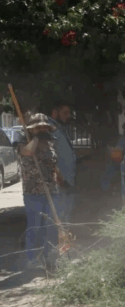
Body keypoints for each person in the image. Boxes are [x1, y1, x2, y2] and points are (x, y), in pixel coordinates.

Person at [15, 113, 61, 271]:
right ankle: (33, 259)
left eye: (44, 127)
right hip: (33, 193)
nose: (43, 129)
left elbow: (53, 163)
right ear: (32, 129)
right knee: (35, 226)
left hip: (51, 190)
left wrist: (60, 178)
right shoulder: (23, 142)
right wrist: (36, 138)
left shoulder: (50, 143)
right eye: (39, 127)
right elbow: (28, 152)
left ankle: (51, 257)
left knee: (52, 226)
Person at [47, 100, 77, 225]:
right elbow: (48, 156)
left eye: (69, 113)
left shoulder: (58, 127)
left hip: (67, 179)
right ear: (55, 113)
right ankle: (60, 242)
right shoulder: (49, 128)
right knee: (59, 217)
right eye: (65, 113)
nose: (68, 116)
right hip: (60, 181)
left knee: (65, 216)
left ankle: (65, 242)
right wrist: (59, 177)